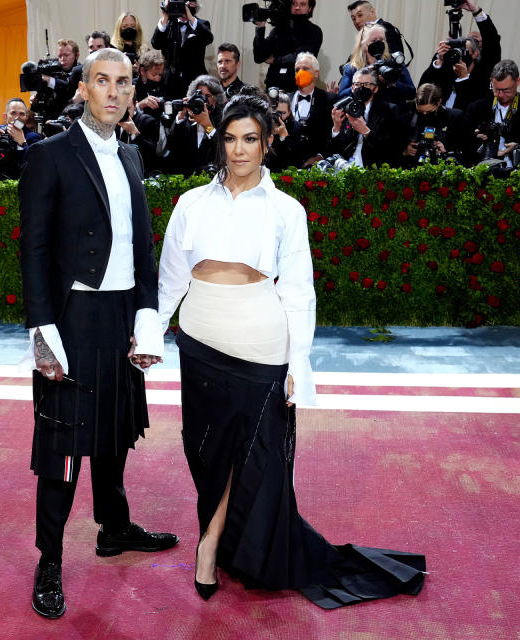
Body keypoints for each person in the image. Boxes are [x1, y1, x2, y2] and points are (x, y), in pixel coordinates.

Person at [157, 91, 426, 607]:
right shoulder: (191, 203)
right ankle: (222, 535)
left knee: (246, 453)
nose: (239, 151)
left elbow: (298, 290)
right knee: (204, 447)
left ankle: (209, 546)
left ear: (266, 143)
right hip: (198, 340)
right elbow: (169, 278)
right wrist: (151, 332)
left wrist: (298, 360)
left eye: (250, 139)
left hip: (260, 343)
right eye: (231, 139)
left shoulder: (286, 210)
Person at [18, 47, 177, 621]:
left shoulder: (132, 155)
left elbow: (141, 245)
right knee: (62, 446)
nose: (114, 92)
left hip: (120, 317)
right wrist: (41, 330)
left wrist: (147, 314)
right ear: (84, 87)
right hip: (71, 319)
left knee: (113, 428)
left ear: (134, 91)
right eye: (102, 81)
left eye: (124, 83)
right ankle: (51, 559)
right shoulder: (50, 155)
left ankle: (113, 528)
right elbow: (33, 250)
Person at [419, 1, 500, 112]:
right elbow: (423, 88)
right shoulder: (447, 67)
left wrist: (476, 11)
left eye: (464, 51)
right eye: (456, 51)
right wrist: (439, 62)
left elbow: (492, 41)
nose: (459, 55)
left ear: (475, 53)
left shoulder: (482, 71)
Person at [465, 60, 520, 164]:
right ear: (491, 81)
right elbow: (464, 144)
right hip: (481, 168)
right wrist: (476, 138)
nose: (500, 95)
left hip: (518, 171)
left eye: (506, 90)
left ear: (518, 82)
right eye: (496, 89)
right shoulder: (476, 108)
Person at [329, 67, 405, 168]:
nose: (361, 88)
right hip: (344, 169)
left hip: (372, 171)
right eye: (357, 84)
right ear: (352, 88)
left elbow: (391, 148)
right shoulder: (345, 108)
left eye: (366, 84)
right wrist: (336, 127)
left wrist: (366, 132)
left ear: (376, 88)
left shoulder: (389, 110)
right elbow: (335, 150)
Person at [337, 24, 415, 108]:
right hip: (362, 116)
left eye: (381, 40)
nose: (378, 43)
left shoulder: (394, 63)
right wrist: (361, 85)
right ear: (363, 43)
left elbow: (412, 93)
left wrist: (393, 83)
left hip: (391, 115)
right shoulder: (352, 68)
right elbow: (341, 95)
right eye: (374, 40)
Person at [252, 0, 322, 93]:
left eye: (303, 4)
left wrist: (275, 60)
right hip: (273, 88)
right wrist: (260, 28)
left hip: (299, 88)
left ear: (310, 8)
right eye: (294, 4)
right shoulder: (278, 30)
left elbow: (303, 56)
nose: (297, 7)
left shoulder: (314, 31)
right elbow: (259, 57)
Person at [164, 75, 227, 176]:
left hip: (211, 178)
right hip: (186, 179)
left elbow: (224, 150)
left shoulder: (223, 119)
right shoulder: (187, 118)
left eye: (208, 96)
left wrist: (208, 127)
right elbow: (171, 146)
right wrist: (180, 116)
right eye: (200, 95)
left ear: (216, 98)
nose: (203, 99)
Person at [152, 0, 213, 100]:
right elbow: (156, 44)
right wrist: (165, 16)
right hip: (170, 83)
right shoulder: (168, 25)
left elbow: (208, 38)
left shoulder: (201, 24)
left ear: (196, 6)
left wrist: (190, 18)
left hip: (195, 83)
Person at [401, 83, 470, 167]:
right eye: (420, 111)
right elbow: (392, 142)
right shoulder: (407, 114)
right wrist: (405, 150)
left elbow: (464, 148)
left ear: (439, 102)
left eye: (429, 111)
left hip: (441, 169)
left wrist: (445, 152)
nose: (425, 114)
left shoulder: (454, 117)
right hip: (410, 166)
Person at [287, 52, 333, 168]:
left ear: (316, 73)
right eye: (297, 69)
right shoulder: (285, 99)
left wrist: (321, 156)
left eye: (305, 68)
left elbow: (333, 134)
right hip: (286, 164)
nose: (300, 72)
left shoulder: (329, 100)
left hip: (316, 167)